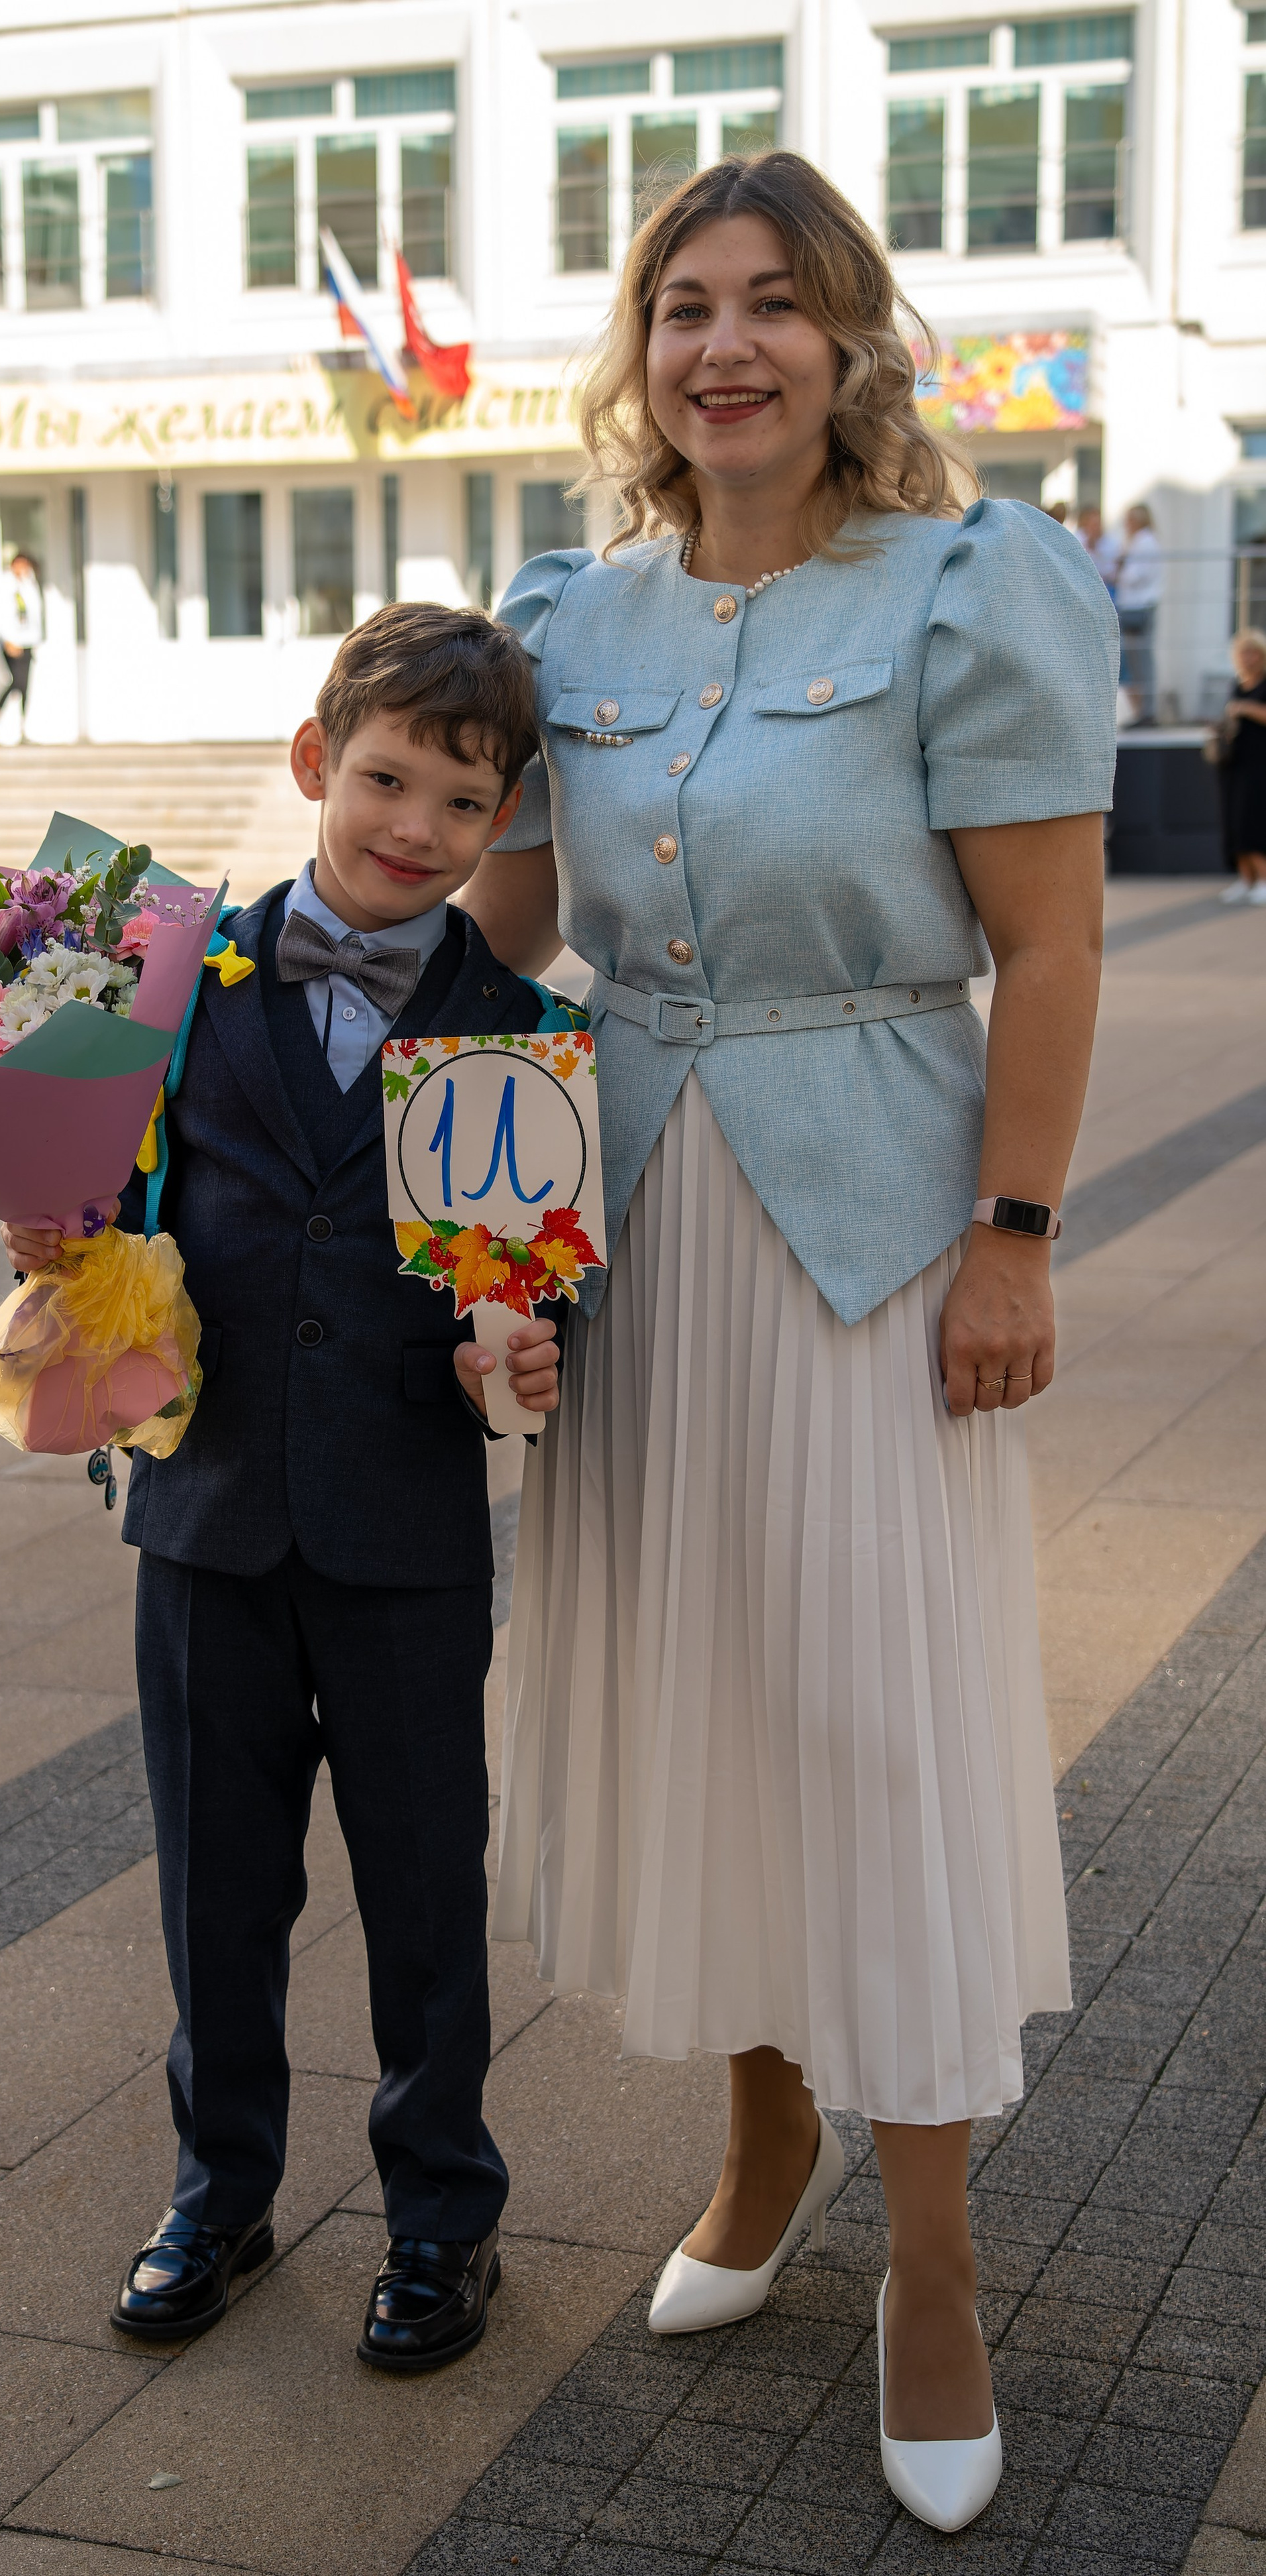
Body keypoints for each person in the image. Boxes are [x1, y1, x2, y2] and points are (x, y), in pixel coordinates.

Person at [461, 150, 1116, 2534]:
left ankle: (921, 2258)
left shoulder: (966, 585)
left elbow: (1039, 949)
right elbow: (506, 928)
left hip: (868, 1237)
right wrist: (372, 809)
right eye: (679, 308)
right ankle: (753, 2148)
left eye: (767, 306)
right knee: (699, 1700)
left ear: (845, 342)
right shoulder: (565, 615)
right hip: (624, 1234)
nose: (719, 346)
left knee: (877, 1718)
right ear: (638, 355)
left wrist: (1012, 1240)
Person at [0, 604, 567, 2371]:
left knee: (422, 1894)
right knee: (217, 1889)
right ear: (319, 762)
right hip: (205, 1512)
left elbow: (542, 1280)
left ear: (503, 824)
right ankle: (218, 2192)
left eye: (461, 804)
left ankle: (440, 2218)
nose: (413, 826)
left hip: (403, 1534)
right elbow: (98, 1201)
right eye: (388, 779)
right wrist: (48, 1226)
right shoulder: (148, 979)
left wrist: (534, 1344)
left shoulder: (515, 1026)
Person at [1216, 627, 1266, 903]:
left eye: (1254, 652)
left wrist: (1245, 708)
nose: (1249, 658)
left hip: (1259, 766)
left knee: (1254, 820)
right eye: (1243, 653)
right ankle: (1246, 878)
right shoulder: (1235, 686)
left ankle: (1263, 878)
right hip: (1234, 763)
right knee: (1234, 820)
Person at [0, 549, 44, 745]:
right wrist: (6, 638)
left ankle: (23, 726)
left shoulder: (29, 584)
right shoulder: (3, 584)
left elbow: (34, 614)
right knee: (15, 681)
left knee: (24, 685)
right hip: (10, 640)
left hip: (28, 640)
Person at [1114, 501, 1164, 724]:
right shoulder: (1144, 541)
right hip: (1138, 605)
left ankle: (1147, 711)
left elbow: (1136, 576)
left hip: (1139, 606)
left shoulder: (1144, 542)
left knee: (1139, 660)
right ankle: (1143, 710)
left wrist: (1119, 570)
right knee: (1137, 660)